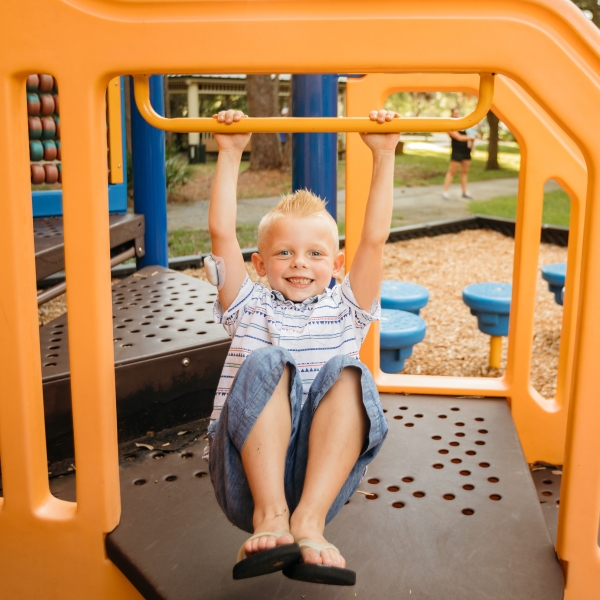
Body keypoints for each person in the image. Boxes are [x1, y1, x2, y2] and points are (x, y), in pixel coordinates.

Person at [205, 108, 399, 586]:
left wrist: (385, 154)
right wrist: (230, 153)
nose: (299, 264)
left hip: (321, 478)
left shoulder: (347, 310)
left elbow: (373, 241)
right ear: (259, 262)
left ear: (336, 264)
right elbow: (220, 234)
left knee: (350, 373)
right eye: (284, 253)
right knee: (271, 359)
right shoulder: (248, 305)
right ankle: (271, 516)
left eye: (315, 254)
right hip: (244, 476)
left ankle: (308, 524)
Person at [442, 107, 476, 200]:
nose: (456, 115)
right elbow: (459, 137)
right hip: (457, 152)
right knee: (452, 171)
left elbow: (472, 133)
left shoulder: (463, 124)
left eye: (458, 113)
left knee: (464, 172)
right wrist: (471, 137)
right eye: (455, 113)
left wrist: (472, 137)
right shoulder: (449, 126)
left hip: (466, 151)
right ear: (452, 114)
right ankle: (445, 192)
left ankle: (464, 192)